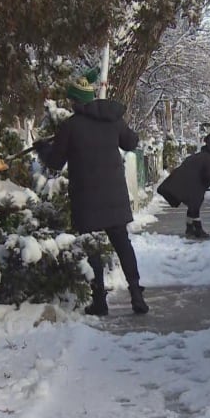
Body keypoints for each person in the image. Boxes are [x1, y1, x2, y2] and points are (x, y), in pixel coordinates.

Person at [35, 68, 149, 316]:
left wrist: (42, 149)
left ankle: (100, 301)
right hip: (115, 196)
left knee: (93, 247)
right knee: (122, 244)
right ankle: (137, 295)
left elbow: (55, 162)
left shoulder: (70, 126)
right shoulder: (113, 120)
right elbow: (130, 143)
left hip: (86, 198)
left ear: (76, 101)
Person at [156, 128, 210, 238]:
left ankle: (190, 228)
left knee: (193, 206)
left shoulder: (202, 156)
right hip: (189, 184)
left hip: (186, 183)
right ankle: (198, 230)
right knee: (195, 206)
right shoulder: (209, 158)